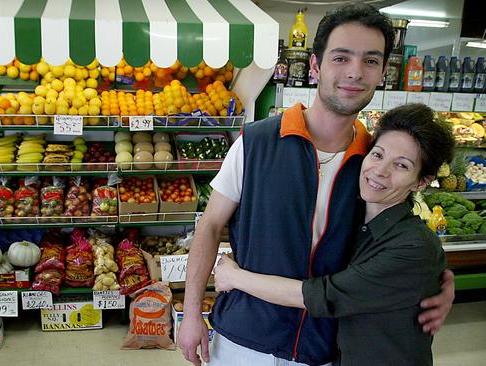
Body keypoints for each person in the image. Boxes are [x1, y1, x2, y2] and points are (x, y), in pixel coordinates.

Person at [178, 3, 455, 366]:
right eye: (341, 58)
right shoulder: (256, 143)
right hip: (242, 342)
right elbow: (210, 226)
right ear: (314, 66)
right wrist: (192, 312)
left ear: (384, 72)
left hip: (323, 349)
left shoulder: (373, 164)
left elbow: (397, 239)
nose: (355, 72)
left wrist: (439, 284)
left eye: (371, 61)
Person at [214, 103, 454, 366]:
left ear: (421, 181)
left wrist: (235, 277)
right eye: (377, 155)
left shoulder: (413, 245)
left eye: (401, 165)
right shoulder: (359, 216)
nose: (380, 171)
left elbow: (325, 296)